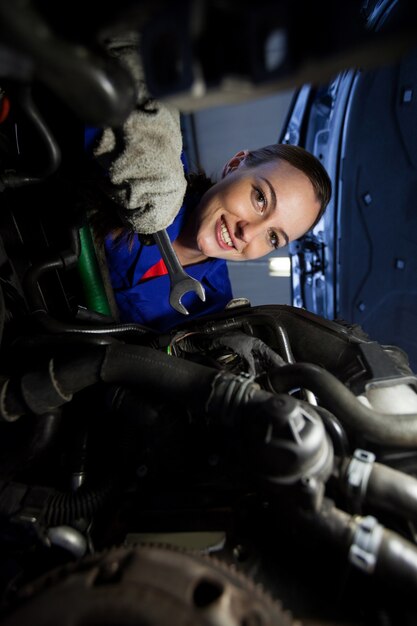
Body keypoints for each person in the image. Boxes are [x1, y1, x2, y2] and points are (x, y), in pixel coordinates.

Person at [86, 37, 331, 332]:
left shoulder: (213, 314)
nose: (248, 232)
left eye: (274, 237)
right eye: (261, 199)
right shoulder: (158, 153)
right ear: (234, 165)